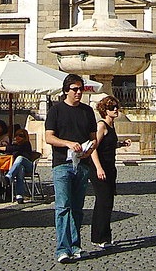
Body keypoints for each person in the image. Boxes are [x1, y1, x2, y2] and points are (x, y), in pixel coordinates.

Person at [45, 73, 97, 264]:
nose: (78, 93)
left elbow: (94, 138)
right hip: (62, 165)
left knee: (77, 208)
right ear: (66, 90)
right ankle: (62, 249)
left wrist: (89, 149)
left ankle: (76, 246)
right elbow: (49, 137)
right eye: (75, 89)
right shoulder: (56, 111)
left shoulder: (87, 111)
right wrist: (68, 143)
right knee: (62, 207)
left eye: (81, 89)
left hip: (82, 165)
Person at [91, 95, 129, 250]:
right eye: (112, 107)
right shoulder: (102, 126)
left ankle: (105, 236)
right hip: (100, 169)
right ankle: (99, 237)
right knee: (103, 201)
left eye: (116, 107)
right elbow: (93, 148)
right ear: (104, 110)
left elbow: (108, 145)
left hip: (110, 167)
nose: (116, 110)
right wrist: (99, 168)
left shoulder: (111, 125)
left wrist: (120, 144)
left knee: (108, 202)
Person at [3, 128, 34, 203]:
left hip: (29, 166)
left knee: (20, 158)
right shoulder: (15, 145)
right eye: (16, 135)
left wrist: (2, 148)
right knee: (20, 169)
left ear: (25, 137)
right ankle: (19, 196)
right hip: (21, 167)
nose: (17, 137)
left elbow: (14, 149)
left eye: (21, 135)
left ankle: (9, 176)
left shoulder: (26, 144)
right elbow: (11, 149)